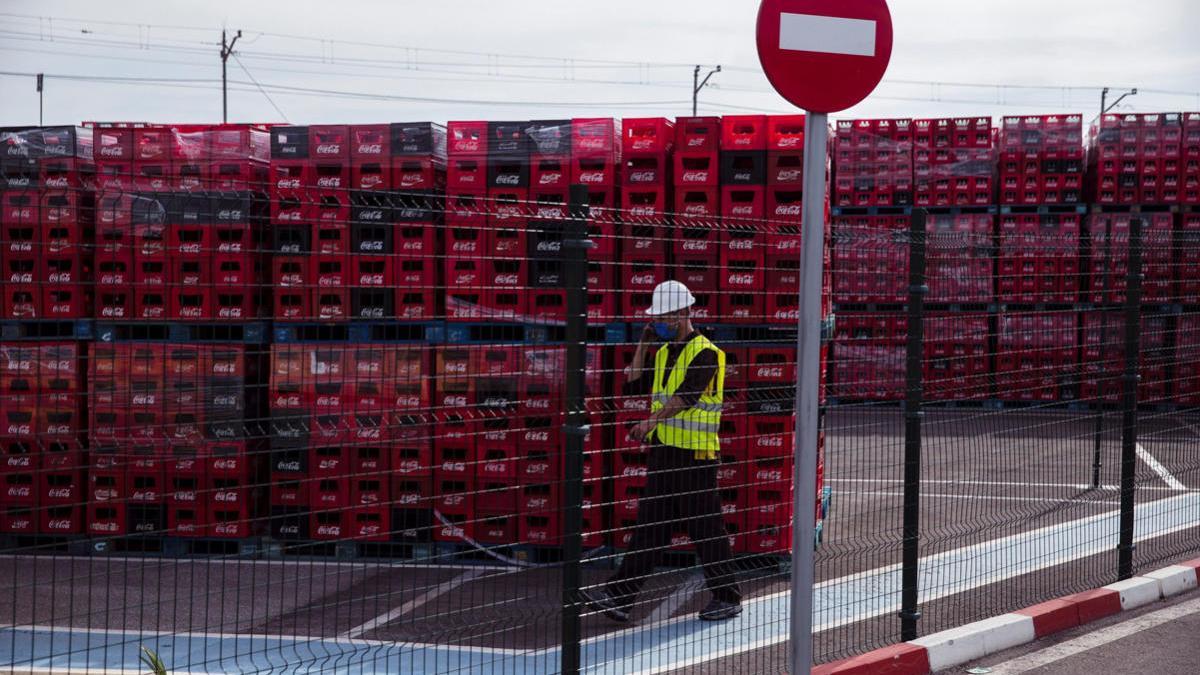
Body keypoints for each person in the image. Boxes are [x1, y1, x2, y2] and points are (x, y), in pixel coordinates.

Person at [581, 280, 743, 623]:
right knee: (650, 528)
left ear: (685, 313)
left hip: (695, 457)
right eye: (657, 319)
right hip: (664, 452)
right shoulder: (665, 352)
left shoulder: (707, 353)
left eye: (665, 318)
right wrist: (643, 343)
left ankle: (727, 596)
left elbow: (686, 397)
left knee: (706, 530)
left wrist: (648, 423)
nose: (660, 323)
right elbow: (634, 383)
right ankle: (619, 596)